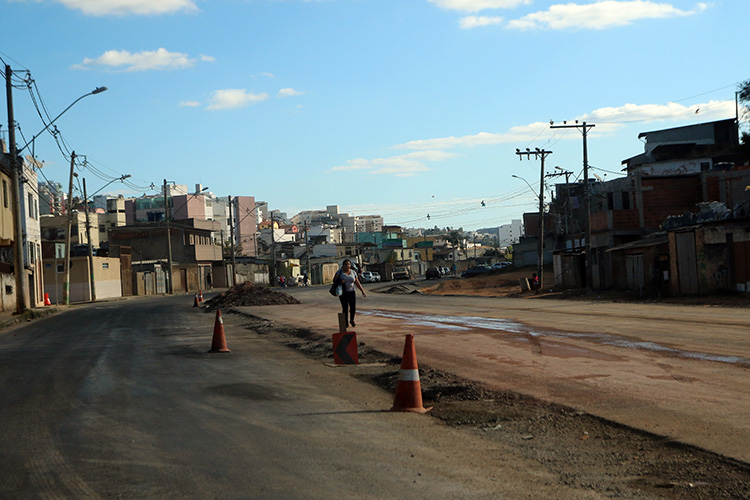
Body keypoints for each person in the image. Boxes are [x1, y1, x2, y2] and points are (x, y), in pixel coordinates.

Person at [334, 259, 366, 327]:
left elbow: (357, 282)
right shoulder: (339, 272)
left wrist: (362, 291)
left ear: (350, 265)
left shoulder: (353, 272)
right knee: (345, 308)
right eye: (345, 264)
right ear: (343, 266)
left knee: (353, 307)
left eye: (348, 264)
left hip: (352, 292)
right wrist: (340, 281)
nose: (347, 265)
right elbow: (334, 280)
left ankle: (352, 320)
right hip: (343, 292)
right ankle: (345, 322)